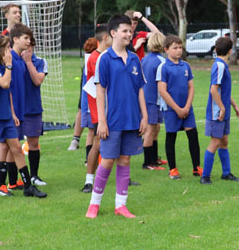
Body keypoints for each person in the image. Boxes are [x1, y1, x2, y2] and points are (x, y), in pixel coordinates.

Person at [86, 15, 148, 219]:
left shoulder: (134, 59)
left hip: (132, 119)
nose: (129, 34)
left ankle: (121, 205)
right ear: (113, 33)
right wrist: (102, 121)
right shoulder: (104, 59)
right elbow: (100, 91)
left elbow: (140, 89)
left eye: (130, 31)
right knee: (107, 161)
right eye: (125, 31)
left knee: (125, 159)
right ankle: (94, 204)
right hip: (111, 121)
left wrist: (144, 116)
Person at [0, 33, 46, 202]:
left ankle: (28, 186)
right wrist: (9, 65)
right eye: (6, 48)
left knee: (16, 148)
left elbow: (8, 93)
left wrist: (12, 114)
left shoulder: (4, 66)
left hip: (6, 117)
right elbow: (5, 83)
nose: (9, 51)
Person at [157, 35, 202, 180]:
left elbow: (191, 87)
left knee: (193, 135)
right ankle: (173, 169)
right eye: (175, 48)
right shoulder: (163, 67)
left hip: (187, 109)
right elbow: (162, 91)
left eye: (180, 47)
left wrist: (187, 106)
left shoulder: (186, 66)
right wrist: (177, 109)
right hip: (171, 110)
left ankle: (196, 167)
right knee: (171, 136)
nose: (178, 50)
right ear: (166, 50)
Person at [201, 36, 239, 185]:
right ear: (230, 51)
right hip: (217, 112)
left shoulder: (223, 65)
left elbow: (224, 91)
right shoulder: (219, 66)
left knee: (224, 141)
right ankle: (205, 176)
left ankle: (226, 173)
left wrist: (234, 105)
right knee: (215, 142)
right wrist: (222, 108)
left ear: (216, 49)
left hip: (224, 111)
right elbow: (213, 90)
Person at [0, 4, 24, 188]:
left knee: (14, 141)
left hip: (18, 93)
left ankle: (12, 179)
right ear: (6, 15)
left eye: (19, 12)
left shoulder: (21, 36)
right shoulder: (3, 38)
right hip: (6, 93)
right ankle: (0, 176)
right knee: (5, 142)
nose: (18, 14)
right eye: (14, 12)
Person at [81, 26, 109, 193]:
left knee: (119, 141)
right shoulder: (95, 58)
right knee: (98, 142)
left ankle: (124, 178)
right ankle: (89, 181)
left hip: (111, 107)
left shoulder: (108, 55)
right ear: (106, 37)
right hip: (99, 108)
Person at [20, 33, 49, 189]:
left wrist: (28, 62)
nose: (27, 49)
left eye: (29, 46)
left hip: (33, 109)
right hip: (16, 109)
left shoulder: (40, 62)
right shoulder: (14, 61)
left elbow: (37, 81)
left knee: (33, 143)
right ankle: (9, 179)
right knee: (9, 145)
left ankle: (34, 176)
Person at [140, 32, 167, 171]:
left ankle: (154, 158)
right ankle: (148, 163)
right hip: (153, 100)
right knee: (150, 130)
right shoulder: (161, 61)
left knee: (156, 128)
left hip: (146, 98)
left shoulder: (144, 59)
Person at [78, 37, 99, 166]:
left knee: (92, 132)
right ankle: (90, 158)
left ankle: (90, 158)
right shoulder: (92, 62)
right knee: (93, 132)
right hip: (91, 101)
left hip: (89, 101)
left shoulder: (90, 61)